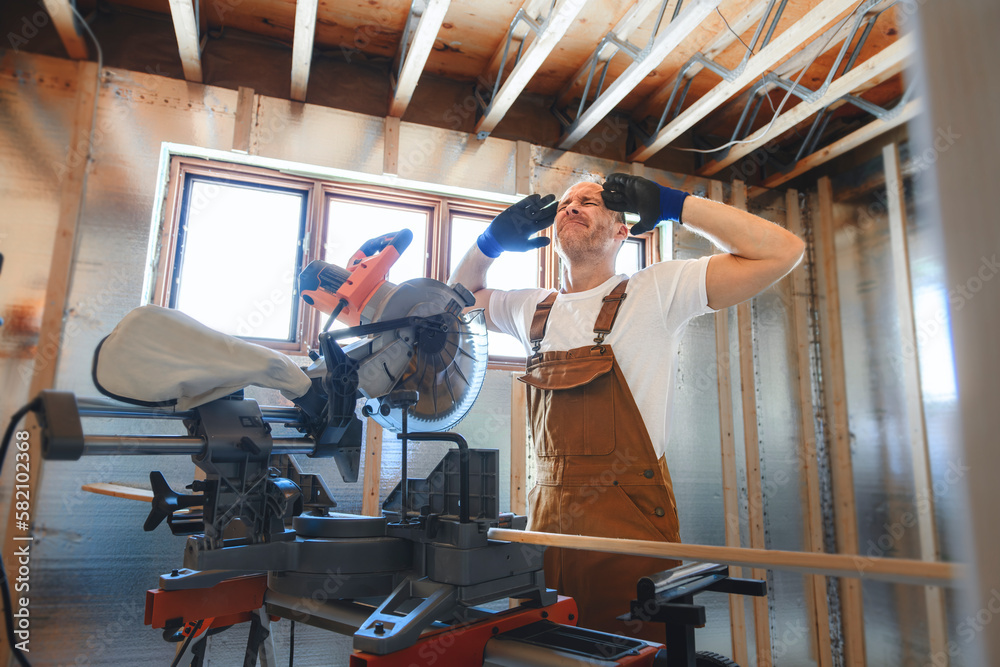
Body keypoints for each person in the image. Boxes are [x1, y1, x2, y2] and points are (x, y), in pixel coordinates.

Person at [449, 173, 805, 640]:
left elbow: (782, 251)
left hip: (629, 529)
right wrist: (489, 242)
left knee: (632, 652)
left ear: (623, 230)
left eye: (590, 202)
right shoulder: (532, 309)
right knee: (544, 653)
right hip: (546, 534)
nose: (572, 207)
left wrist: (676, 205)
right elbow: (455, 304)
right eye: (567, 203)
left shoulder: (656, 289)